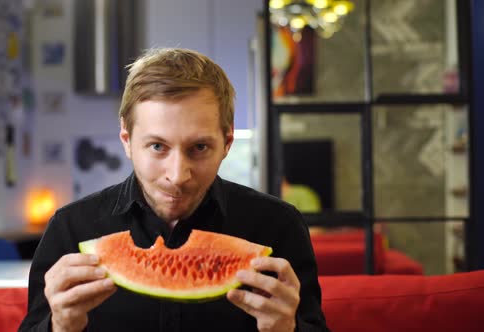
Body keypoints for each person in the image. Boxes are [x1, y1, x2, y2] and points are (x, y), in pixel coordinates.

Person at [19, 48, 329, 332]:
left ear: (227, 143)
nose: (178, 175)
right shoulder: (72, 229)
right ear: (127, 140)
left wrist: (289, 329)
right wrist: (58, 326)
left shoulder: (278, 225)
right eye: (157, 146)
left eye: (199, 147)